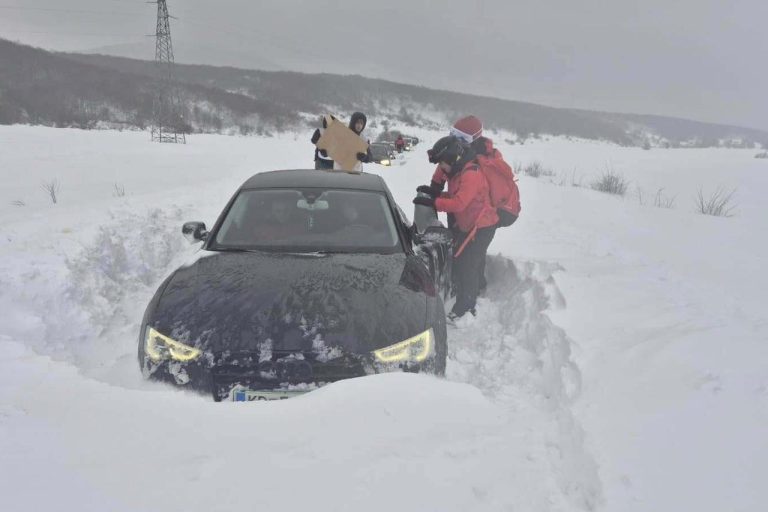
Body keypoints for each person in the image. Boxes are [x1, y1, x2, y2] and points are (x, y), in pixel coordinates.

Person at [414, 136, 498, 320]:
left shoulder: (471, 174)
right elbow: (454, 195)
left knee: (468, 264)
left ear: (453, 159)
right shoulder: (459, 172)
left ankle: (466, 308)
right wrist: (433, 194)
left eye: (443, 164)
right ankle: (469, 292)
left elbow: (459, 203)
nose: (442, 168)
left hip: (483, 227)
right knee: (461, 261)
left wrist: (434, 202)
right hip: (470, 225)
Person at [447, 115, 521, 292]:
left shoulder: (478, 162)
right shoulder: (462, 153)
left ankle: (469, 298)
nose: (456, 140)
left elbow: (471, 197)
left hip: (486, 217)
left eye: (462, 138)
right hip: (475, 215)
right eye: (454, 135)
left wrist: (439, 201)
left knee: (470, 259)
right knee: (472, 255)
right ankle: (476, 286)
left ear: (474, 139)